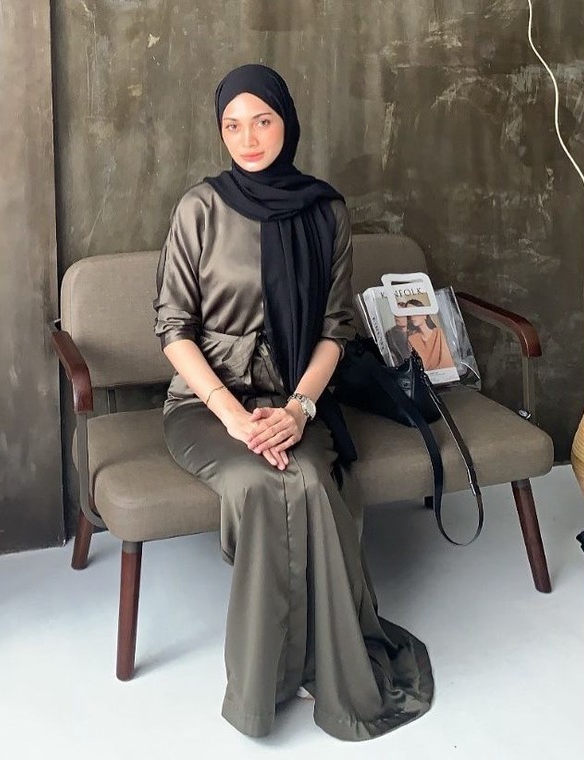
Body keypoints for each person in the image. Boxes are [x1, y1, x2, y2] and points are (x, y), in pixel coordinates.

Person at [153, 64, 433, 741]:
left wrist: (299, 409)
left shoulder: (324, 210)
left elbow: (336, 329)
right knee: (257, 481)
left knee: (307, 476)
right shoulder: (200, 208)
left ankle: (313, 663)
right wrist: (230, 415)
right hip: (205, 404)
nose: (247, 138)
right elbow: (172, 328)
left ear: (287, 122)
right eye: (232, 125)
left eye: (262, 121)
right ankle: (265, 684)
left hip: (292, 399)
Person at [404, 298, 456, 371]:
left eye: (414, 312)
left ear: (424, 314)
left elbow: (447, 362)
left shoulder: (439, 333)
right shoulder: (411, 339)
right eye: (408, 313)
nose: (412, 316)